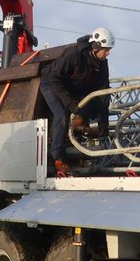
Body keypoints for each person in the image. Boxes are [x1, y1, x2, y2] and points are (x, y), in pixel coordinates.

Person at [41, 26, 114, 174]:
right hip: (51, 84)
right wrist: (70, 103)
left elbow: (104, 92)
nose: (108, 53)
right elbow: (55, 79)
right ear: (96, 48)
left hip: (73, 89)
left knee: (91, 107)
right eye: (106, 50)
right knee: (62, 115)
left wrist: (104, 123)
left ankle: (80, 132)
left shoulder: (102, 63)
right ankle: (58, 158)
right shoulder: (74, 54)